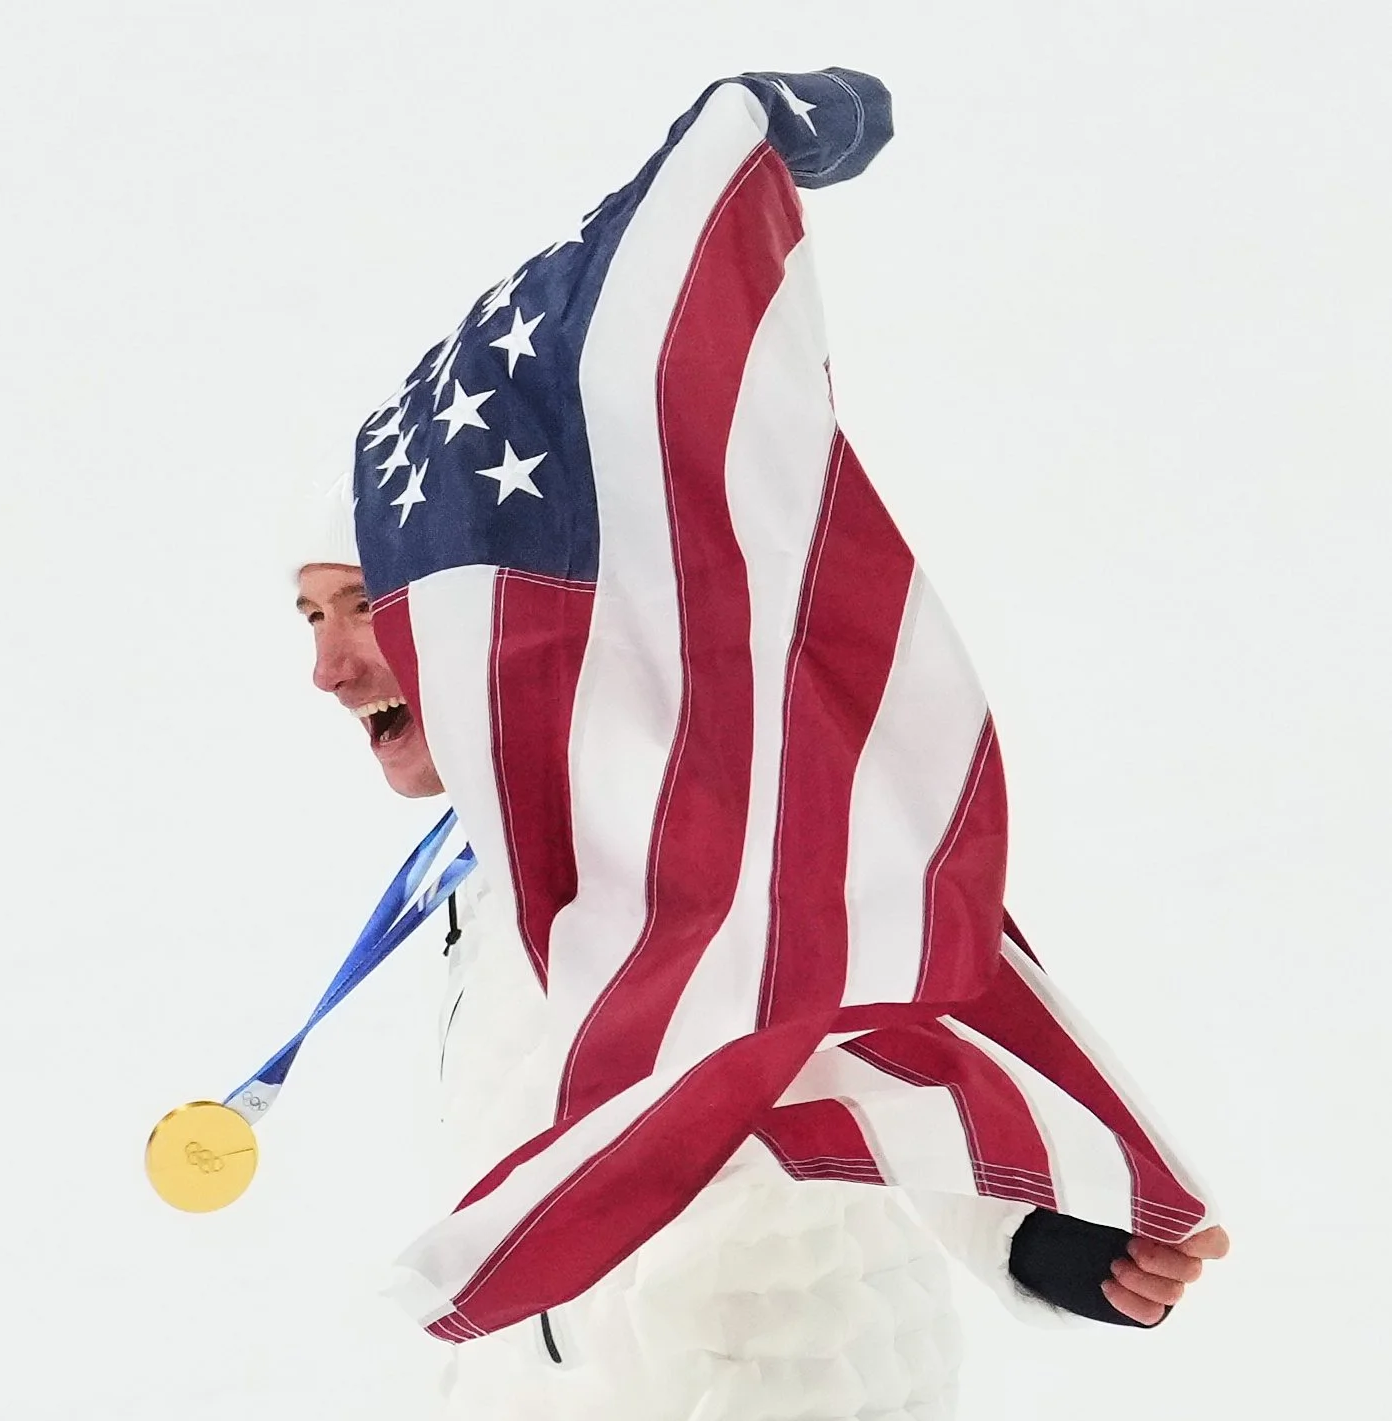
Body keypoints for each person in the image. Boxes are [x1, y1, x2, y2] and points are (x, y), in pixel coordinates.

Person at [293, 560, 1228, 1420]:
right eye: (310, 618)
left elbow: (895, 1008)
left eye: (364, 606)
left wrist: (1034, 1227)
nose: (327, 670)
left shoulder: (698, 795)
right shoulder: (487, 855)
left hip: (772, 1379)